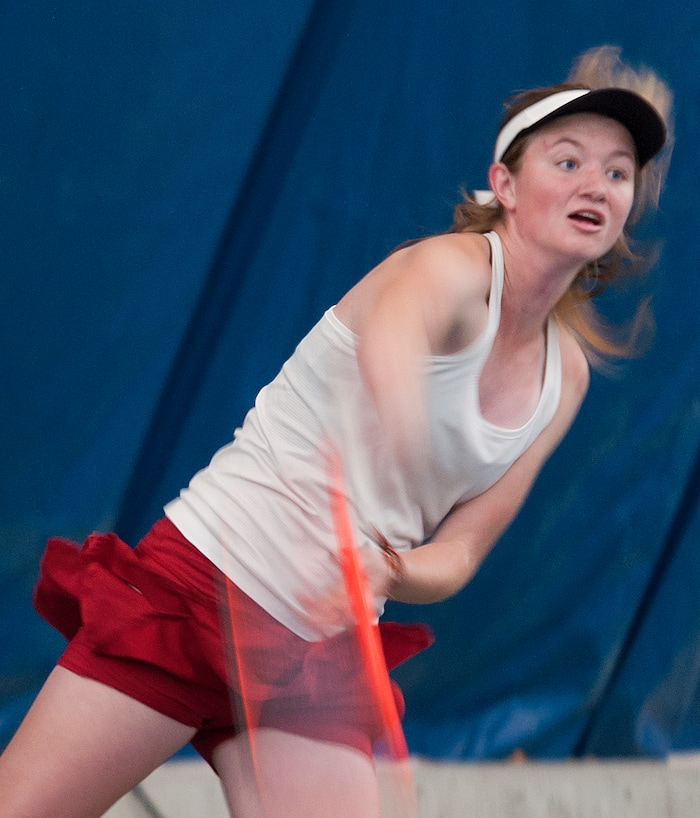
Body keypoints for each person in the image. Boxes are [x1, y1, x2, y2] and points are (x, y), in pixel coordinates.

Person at [0, 45, 673, 817]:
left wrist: (394, 570)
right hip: (204, 588)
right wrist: (406, 426)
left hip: (316, 656)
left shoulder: (568, 378)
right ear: (505, 186)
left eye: (618, 173)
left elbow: (461, 550)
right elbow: (394, 343)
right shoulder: (449, 270)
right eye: (568, 161)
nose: (597, 184)